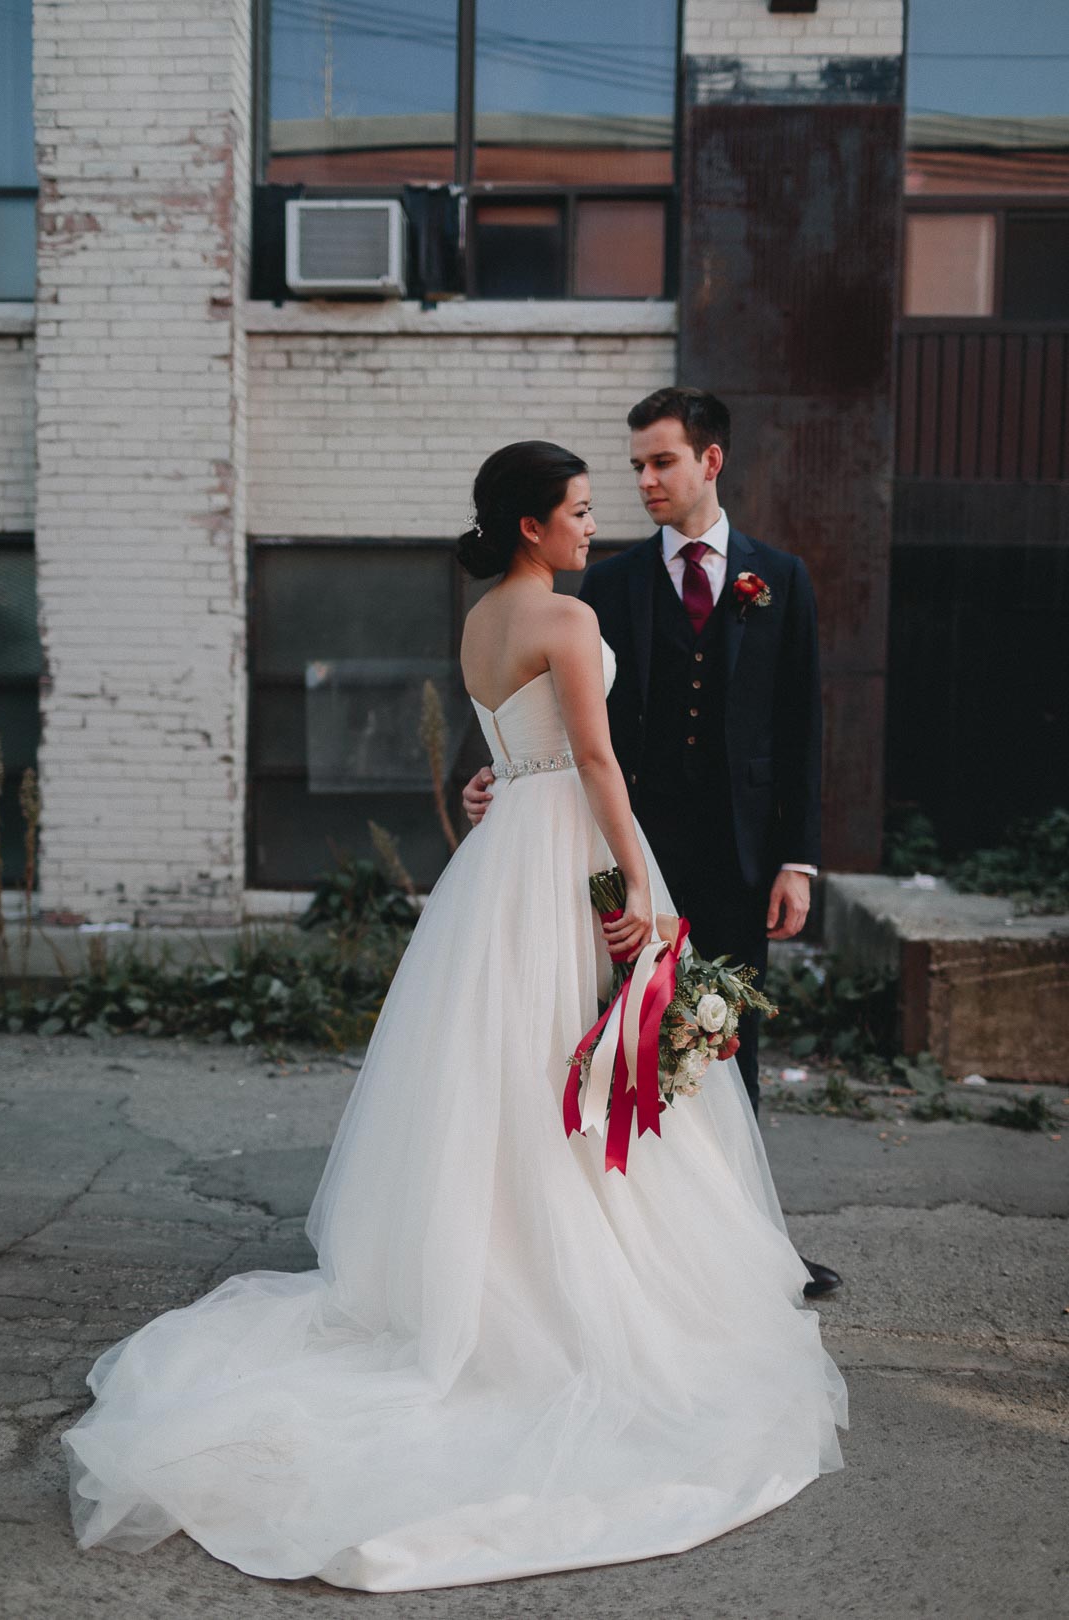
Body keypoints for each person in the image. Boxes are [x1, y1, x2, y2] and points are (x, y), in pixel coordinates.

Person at [61, 441, 846, 1594]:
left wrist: (499, 797)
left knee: (509, 1063)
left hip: (501, 866)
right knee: (569, 1062)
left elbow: (510, 755)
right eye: (579, 511)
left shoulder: (484, 618)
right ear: (532, 525)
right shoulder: (568, 623)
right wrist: (638, 884)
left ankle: (481, 1262)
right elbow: (594, 761)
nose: (594, 525)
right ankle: (558, 1279)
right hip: (566, 848)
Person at [463, 391, 842, 1301]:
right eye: (633, 466)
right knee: (609, 1037)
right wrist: (499, 780)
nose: (644, 482)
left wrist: (799, 858)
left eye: (661, 462)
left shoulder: (779, 578)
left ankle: (745, 1238)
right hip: (615, 851)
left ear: (710, 462)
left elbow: (803, 728)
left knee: (720, 1045)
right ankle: (645, 1235)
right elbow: (568, 726)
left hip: (745, 853)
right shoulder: (606, 585)